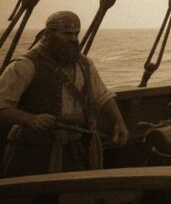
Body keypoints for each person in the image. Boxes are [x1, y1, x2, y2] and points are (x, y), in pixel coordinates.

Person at [0, 11, 129, 194]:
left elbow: (102, 96)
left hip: (74, 148)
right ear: (49, 34)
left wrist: (119, 123)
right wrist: (31, 119)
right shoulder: (24, 66)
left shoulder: (85, 64)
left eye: (76, 33)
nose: (74, 39)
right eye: (67, 34)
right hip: (34, 151)